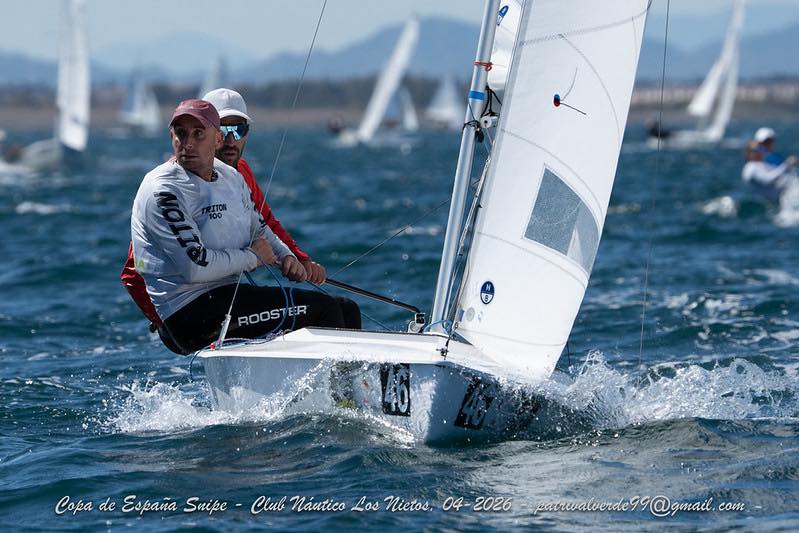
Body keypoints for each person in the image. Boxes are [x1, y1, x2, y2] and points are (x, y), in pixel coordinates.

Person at [129, 98, 347, 354]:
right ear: (171, 136)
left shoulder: (231, 177)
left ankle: (363, 393)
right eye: (181, 133)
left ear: (217, 140)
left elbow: (260, 229)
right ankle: (336, 394)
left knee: (346, 310)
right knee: (325, 311)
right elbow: (193, 268)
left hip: (226, 299)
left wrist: (287, 257)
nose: (187, 144)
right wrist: (252, 257)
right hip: (188, 315)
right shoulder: (163, 189)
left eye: (198, 134)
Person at [201, 87, 361, 328]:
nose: (231, 140)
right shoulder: (181, 182)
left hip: (230, 294)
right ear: (206, 132)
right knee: (325, 310)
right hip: (200, 310)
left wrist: (298, 259)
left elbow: (266, 223)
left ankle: (355, 369)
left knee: (347, 310)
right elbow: (136, 267)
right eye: (223, 130)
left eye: (239, 129)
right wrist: (162, 321)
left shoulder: (240, 173)